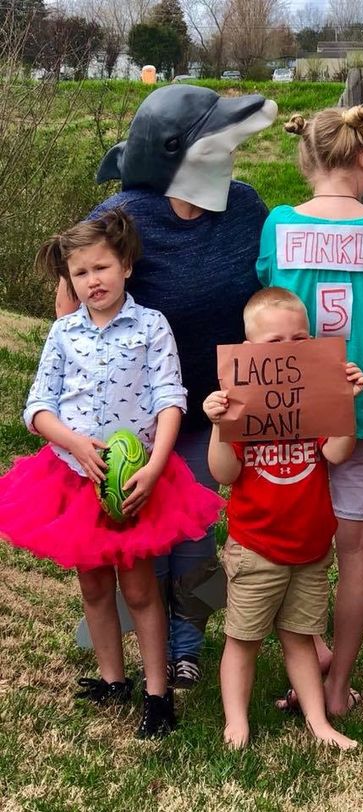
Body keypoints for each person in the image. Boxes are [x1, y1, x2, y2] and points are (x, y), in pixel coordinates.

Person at [55, 84, 278, 688]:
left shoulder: (247, 205)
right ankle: (142, 633)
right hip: (139, 417)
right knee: (143, 532)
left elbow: (273, 283)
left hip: (218, 405)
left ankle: (187, 637)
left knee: (197, 536)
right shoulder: (123, 214)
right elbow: (75, 285)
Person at [0, 210, 224, 737]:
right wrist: (73, 442)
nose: (92, 281)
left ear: (125, 265)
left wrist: (156, 464)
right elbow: (37, 407)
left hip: (134, 479)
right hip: (73, 479)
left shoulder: (151, 326)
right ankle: (112, 678)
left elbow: (172, 399)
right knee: (94, 585)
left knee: (141, 589)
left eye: (101, 267)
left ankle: (156, 694)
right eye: (80, 273)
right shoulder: (63, 334)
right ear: (69, 280)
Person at [255, 105, 363, 715]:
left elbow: (265, 293)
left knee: (291, 537)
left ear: (306, 160)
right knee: (355, 546)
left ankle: (311, 649)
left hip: (291, 410)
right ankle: (338, 684)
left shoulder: (278, 225)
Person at [203, 287, 363, 749]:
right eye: (276, 344)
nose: (290, 349)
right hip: (256, 547)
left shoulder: (313, 398)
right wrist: (219, 426)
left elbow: (336, 453)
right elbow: (224, 473)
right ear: (250, 352)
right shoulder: (240, 402)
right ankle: (236, 722)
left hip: (311, 547)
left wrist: (345, 401)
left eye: (300, 337)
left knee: (301, 637)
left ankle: (318, 722)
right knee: (243, 638)